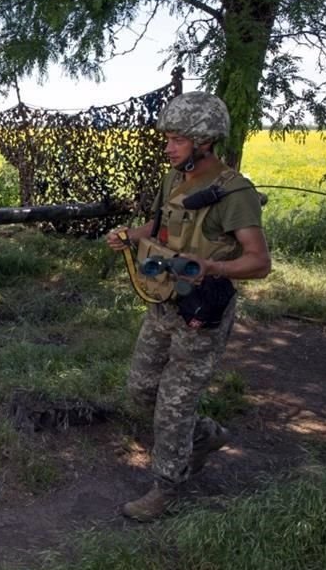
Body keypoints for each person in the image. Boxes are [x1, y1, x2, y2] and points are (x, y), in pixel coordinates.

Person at [106, 91, 272, 521]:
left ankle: (167, 487)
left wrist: (211, 266)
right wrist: (130, 235)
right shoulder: (174, 179)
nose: (168, 146)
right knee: (141, 390)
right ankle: (206, 436)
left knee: (173, 404)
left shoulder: (235, 193)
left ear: (203, 141)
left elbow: (259, 262)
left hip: (202, 310)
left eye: (177, 139)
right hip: (164, 301)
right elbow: (159, 226)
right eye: (168, 138)